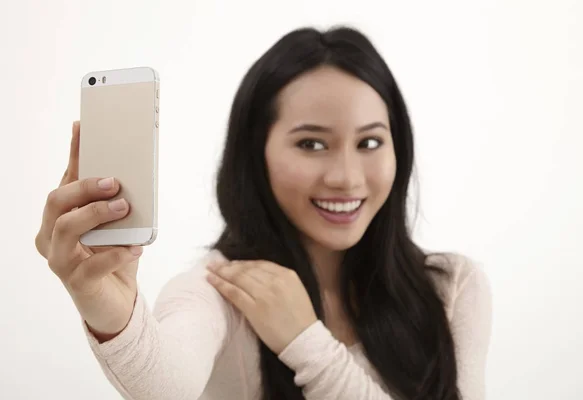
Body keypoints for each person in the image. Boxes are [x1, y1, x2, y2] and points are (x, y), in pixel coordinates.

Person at [35, 25, 492, 400]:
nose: (347, 178)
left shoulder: (453, 286)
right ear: (257, 153)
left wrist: (306, 341)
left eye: (369, 142)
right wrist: (104, 305)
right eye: (311, 143)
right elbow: (165, 383)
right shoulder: (222, 290)